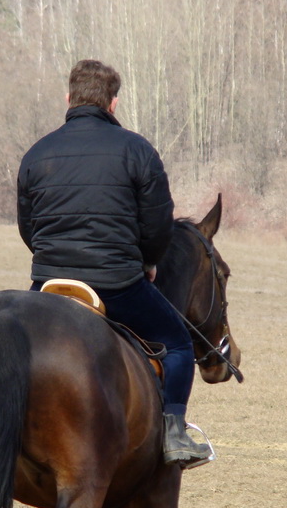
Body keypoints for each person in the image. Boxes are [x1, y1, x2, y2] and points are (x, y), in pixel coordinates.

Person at [17, 59, 212, 468]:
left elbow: (28, 229)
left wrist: (54, 260)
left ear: (68, 98)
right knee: (177, 342)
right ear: (113, 103)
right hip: (117, 285)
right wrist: (149, 262)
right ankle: (175, 433)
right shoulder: (138, 150)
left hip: (50, 287)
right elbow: (158, 223)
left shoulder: (36, 155)